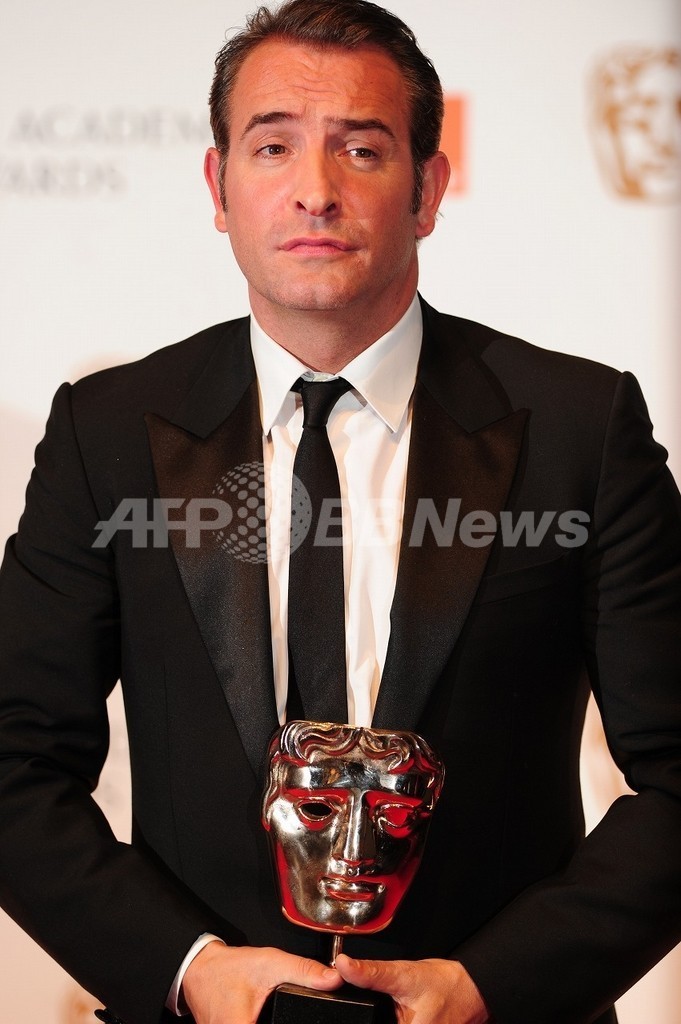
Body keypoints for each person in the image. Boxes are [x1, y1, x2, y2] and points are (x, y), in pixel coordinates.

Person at [0, 2, 679, 1023]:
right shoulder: (107, 433)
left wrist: (494, 985)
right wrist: (189, 968)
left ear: (428, 189)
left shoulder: (580, 429)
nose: (314, 190)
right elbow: (13, 761)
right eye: (272, 146)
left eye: (360, 150)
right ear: (218, 186)